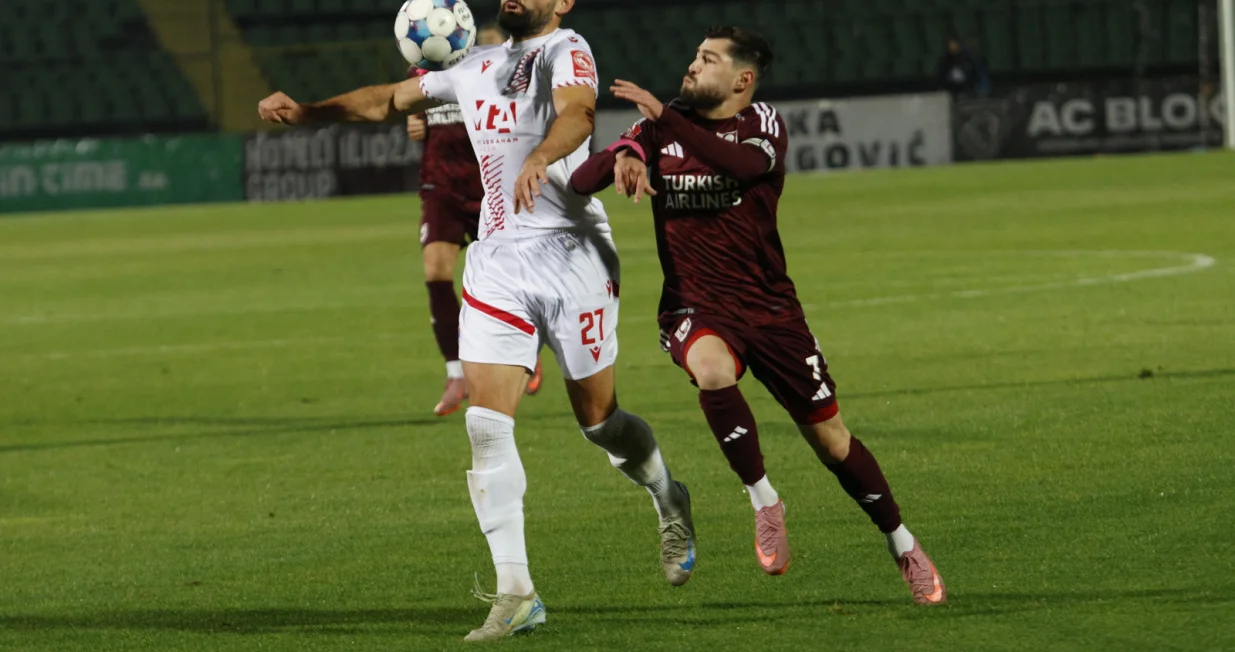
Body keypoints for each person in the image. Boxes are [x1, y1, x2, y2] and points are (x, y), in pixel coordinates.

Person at [256, 0, 697, 642]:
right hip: (496, 260)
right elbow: (389, 100)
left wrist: (542, 156)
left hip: (572, 253)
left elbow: (577, 114)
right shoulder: (477, 63)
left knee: (601, 424)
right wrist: (308, 112)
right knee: (487, 428)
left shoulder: (566, 48)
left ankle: (667, 494)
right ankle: (516, 591)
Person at [570, 26, 947, 605]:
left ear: (743, 80)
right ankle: (764, 500)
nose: (693, 66)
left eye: (709, 59)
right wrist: (627, 150)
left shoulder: (761, 124)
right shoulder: (660, 125)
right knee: (715, 371)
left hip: (771, 311)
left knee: (833, 442)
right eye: (695, 54)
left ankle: (903, 545)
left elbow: (740, 166)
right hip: (693, 305)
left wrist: (660, 127)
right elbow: (580, 180)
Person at [403, 23, 544, 416]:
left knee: (509, 279)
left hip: (490, 186)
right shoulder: (425, 71)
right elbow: (414, 113)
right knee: (435, 272)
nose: (486, 50)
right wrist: (415, 123)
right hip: (441, 188)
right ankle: (455, 372)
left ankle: (527, 347)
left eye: (494, 46)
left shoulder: (507, 79)